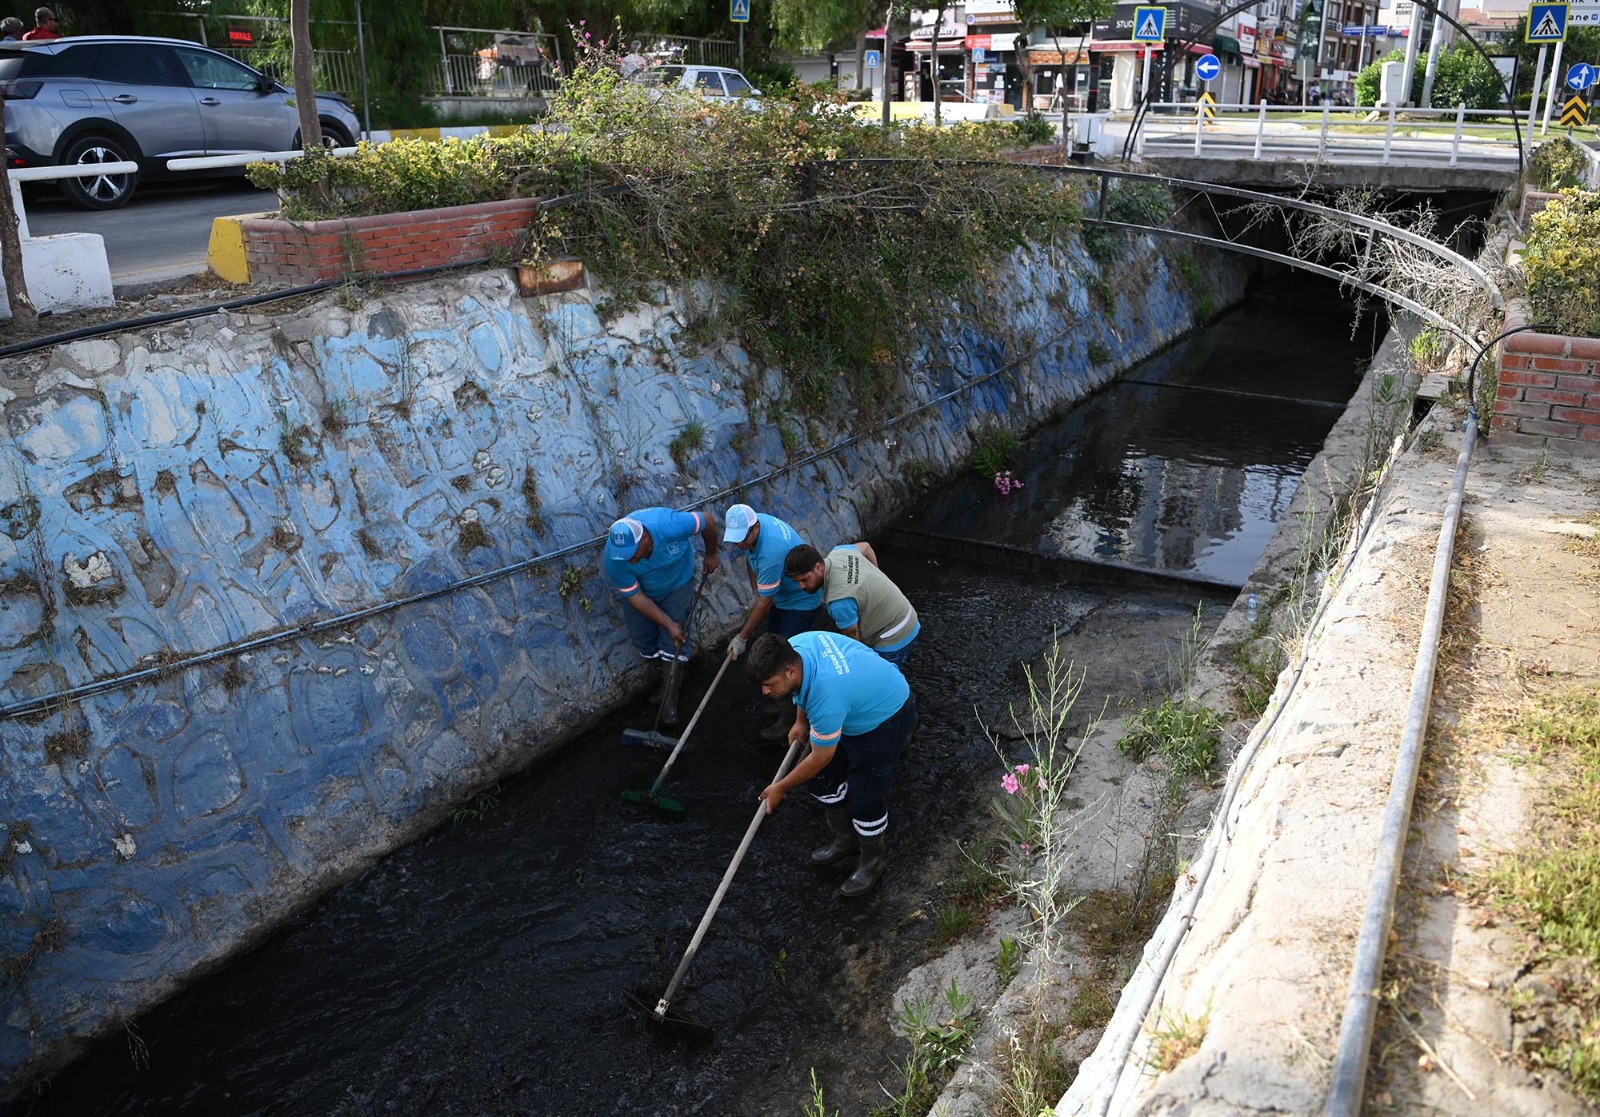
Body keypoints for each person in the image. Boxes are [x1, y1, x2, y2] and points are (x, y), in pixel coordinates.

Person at [747, 632, 916, 897]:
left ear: (790, 671)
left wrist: (780, 786)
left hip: (886, 716)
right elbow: (803, 688)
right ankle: (846, 839)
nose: (764, 691)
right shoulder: (798, 646)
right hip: (850, 705)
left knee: (865, 794)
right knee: (822, 778)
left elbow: (820, 756)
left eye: (770, 683)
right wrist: (801, 722)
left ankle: (872, 861)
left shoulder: (827, 696)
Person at [603, 507, 722, 726]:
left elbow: (707, 520)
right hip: (644, 592)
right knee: (644, 640)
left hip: (677, 583)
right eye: (624, 556)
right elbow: (636, 598)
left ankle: (670, 701)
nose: (629, 560)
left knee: (675, 642)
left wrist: (712, 553)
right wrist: (667, 623)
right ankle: (665, 684)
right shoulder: (614, 558)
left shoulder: (668, 525)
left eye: (633, 554)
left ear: (645, 538)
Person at [721, 503, 827, 737]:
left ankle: (789, 720)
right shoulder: (749, 526)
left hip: (801, 601)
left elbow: (766, 601)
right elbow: (751, 558)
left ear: (755, 528)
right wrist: (756, 589)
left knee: (788, 659)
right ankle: (781, 699)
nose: (739, 544)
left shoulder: (771, 551)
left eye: (742, 539)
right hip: (783, 598)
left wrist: (741, 638)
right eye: (736, 540)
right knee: (773, 645)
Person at [784, 542, 920, 666]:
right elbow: (866, 547)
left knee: (875, 682)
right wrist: (877, 572)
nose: (801, 586)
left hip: (894, 636)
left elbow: (855, 647)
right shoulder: (841, 552)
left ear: (818, 567)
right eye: (797, 581)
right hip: (906, 612)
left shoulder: (838, 601)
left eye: (804, 580)